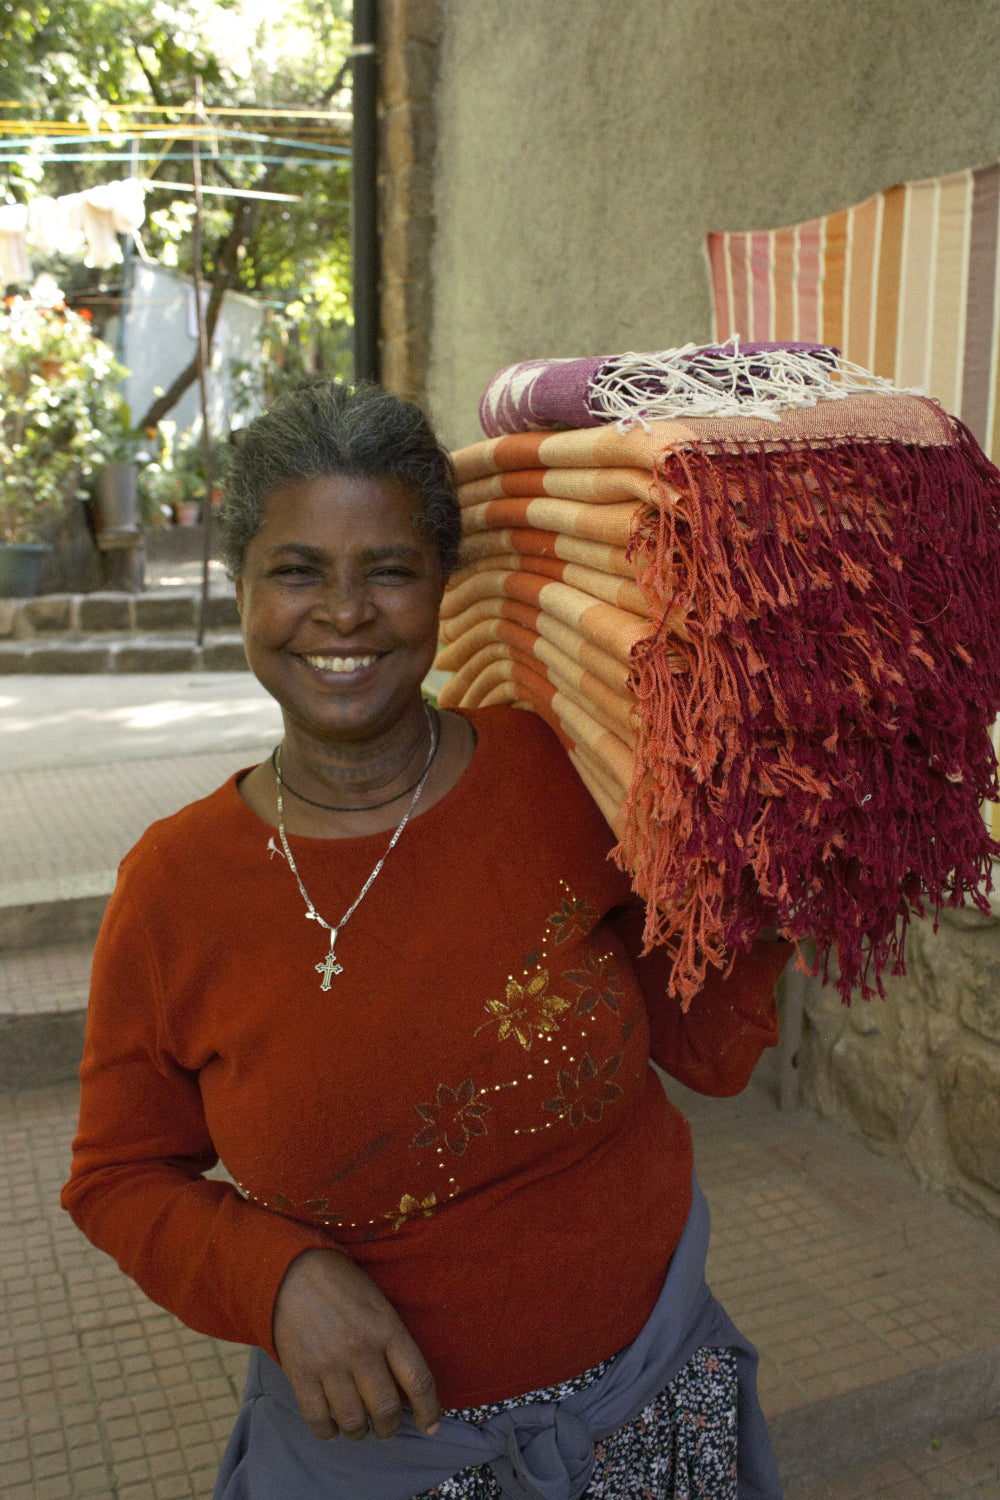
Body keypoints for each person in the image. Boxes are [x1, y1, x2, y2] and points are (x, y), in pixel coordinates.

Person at [62, 380, 791, 1500]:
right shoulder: (174, 888)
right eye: (297, 571)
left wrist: (774, 861)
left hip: (652, 1401)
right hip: (378, 1461)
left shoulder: (558, 773)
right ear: (241, 587)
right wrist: (277, 1276)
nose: (343, 613)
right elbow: (118, 1175)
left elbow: (697, 1038)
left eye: (389, 570)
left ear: (442, 588)